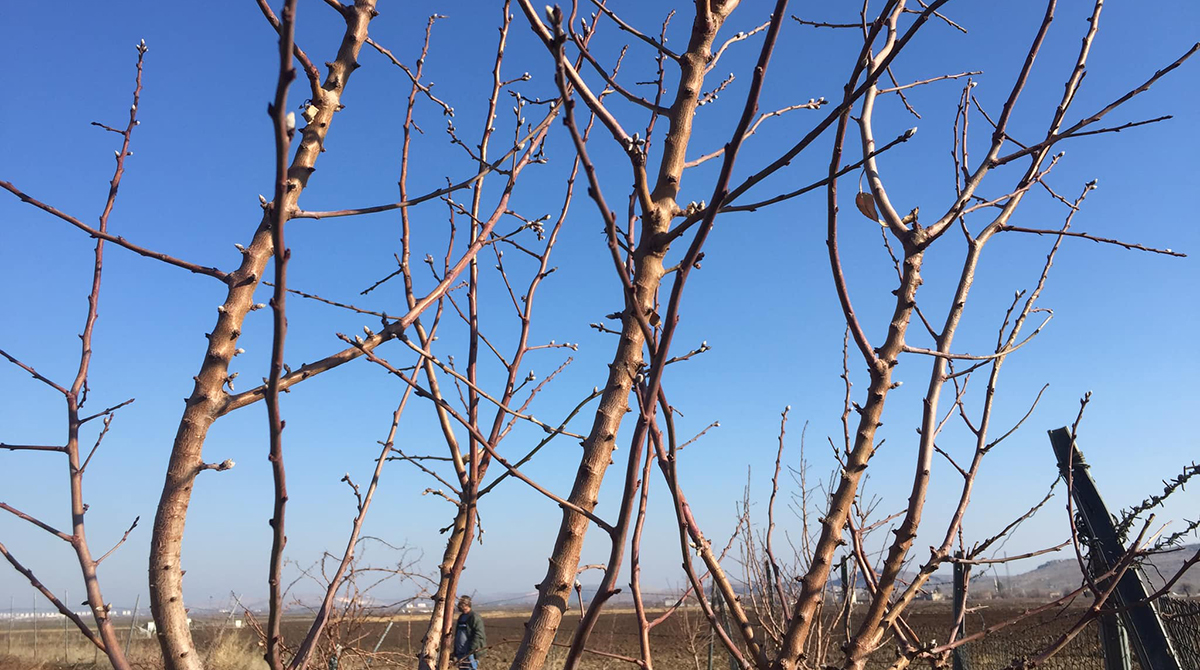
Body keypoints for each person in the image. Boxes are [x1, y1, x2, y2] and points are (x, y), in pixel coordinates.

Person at [451, 595, 486, 670]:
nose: (459, 606)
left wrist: (472, 649)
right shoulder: (461, 617)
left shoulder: (474, 617)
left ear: (467, 605)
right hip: (460, 652)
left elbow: (478, 634)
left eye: (461, 604)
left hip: (470, 652)